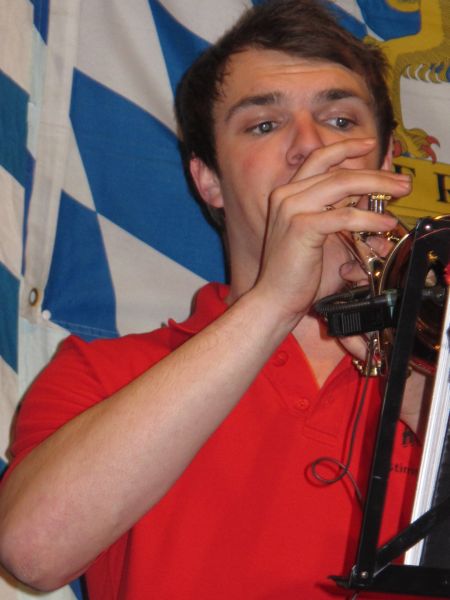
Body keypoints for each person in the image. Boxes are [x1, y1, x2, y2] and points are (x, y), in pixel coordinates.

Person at [0, 1, 430, 598]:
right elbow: (32, 553)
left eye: (339, 120)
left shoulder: (436, 357)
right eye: (264, 125)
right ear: (208, 180)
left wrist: (420, 385)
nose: (310, 147)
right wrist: (274, 304)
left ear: (384, 163)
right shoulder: (105, 374)